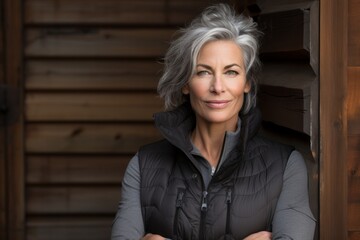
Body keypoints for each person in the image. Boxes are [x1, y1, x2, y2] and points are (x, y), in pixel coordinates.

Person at [111, 3, 316, 240]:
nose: (218, 87)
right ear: (185, 83)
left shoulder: (286, 166)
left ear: (247, 82)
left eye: (231, 72)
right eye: (203, 72)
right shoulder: (143, 166)